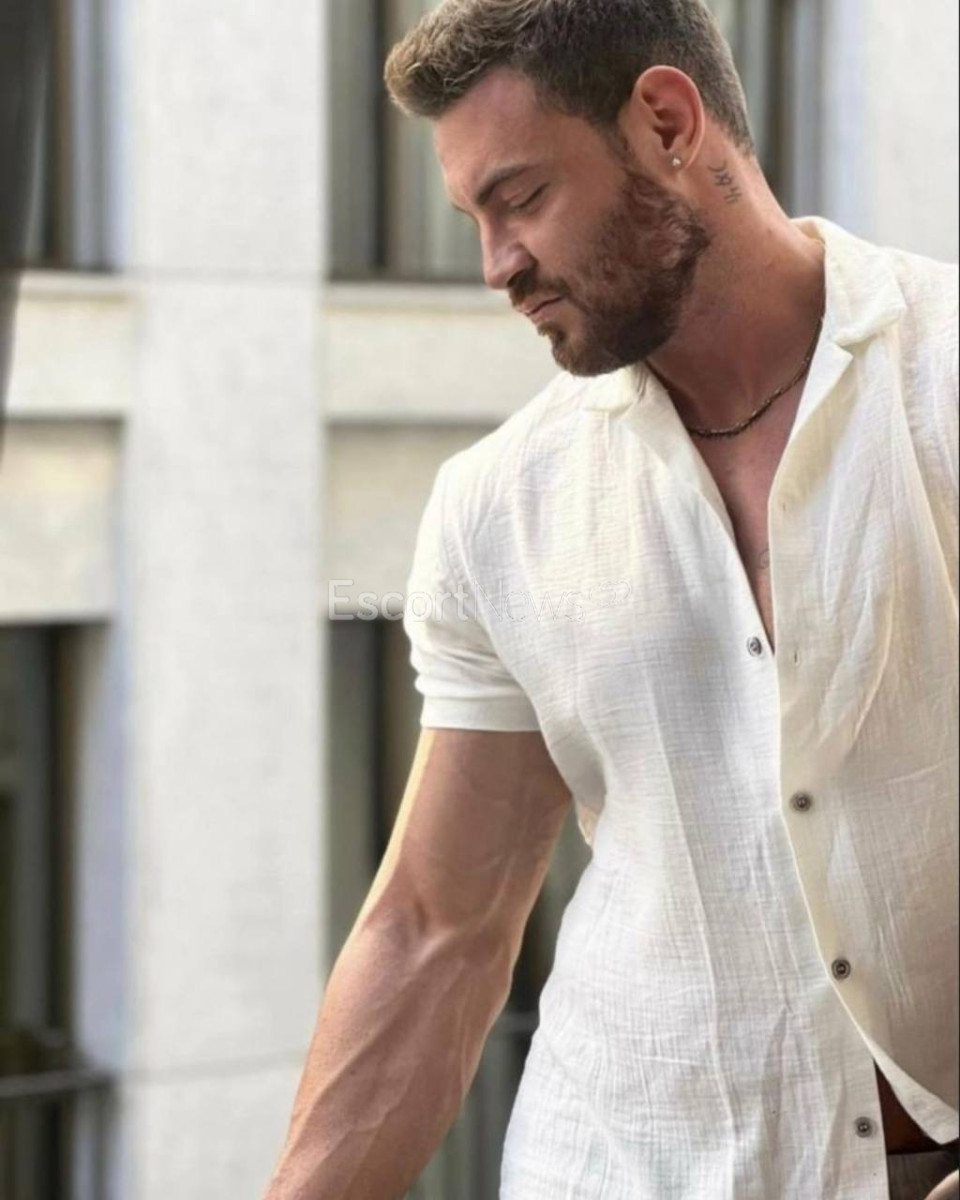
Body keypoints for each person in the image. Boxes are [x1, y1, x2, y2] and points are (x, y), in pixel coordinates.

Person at [263, 2, 959, 1197]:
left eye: (522, 198)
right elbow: (436, 930)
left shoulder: (941, 381)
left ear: (668, 124)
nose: (498, 266)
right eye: (474, 220)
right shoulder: (497, 506)